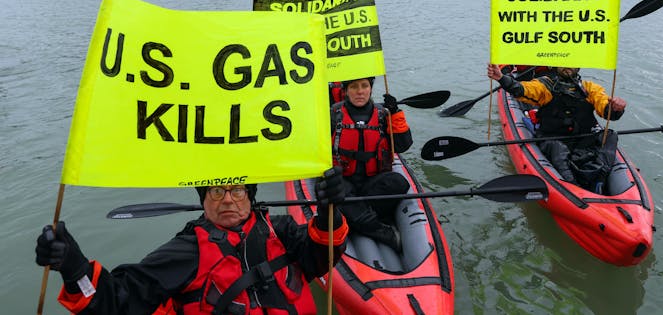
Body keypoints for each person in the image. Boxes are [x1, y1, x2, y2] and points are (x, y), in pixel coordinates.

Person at [35, 168, 348, 315]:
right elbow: (119, 301)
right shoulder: (186, 251)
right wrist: (75, 271)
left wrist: (327, 215)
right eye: (216, 191)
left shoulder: (281, 230)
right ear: (204, 200)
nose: (227, 199)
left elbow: (321, 258)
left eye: (237, 190)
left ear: (250, 197)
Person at [488, 64, 627, 191]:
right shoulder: (544, 85)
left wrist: (615, 108)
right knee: (558, 148)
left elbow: (606, 110)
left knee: (610, 135)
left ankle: (600, 178)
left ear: (578, 67)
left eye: (572, 63)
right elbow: (523, 90)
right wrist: (501, 78)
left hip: (582, 140)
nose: (567, 66)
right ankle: (573, 187)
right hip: (553, 139)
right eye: (563, 63)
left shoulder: (590, 88)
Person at [330, 77, 412, 252]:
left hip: (373, 184)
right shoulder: (333, 115)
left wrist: (395, 113)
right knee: (334, 189)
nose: (360, 91)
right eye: (354, 87)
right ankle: (379, 230)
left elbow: (403, 145)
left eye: (364, 86)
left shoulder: (383, 114)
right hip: (345, 182)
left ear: (370, 89)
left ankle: (354, 219)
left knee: (399, 182)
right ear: (345, 91)